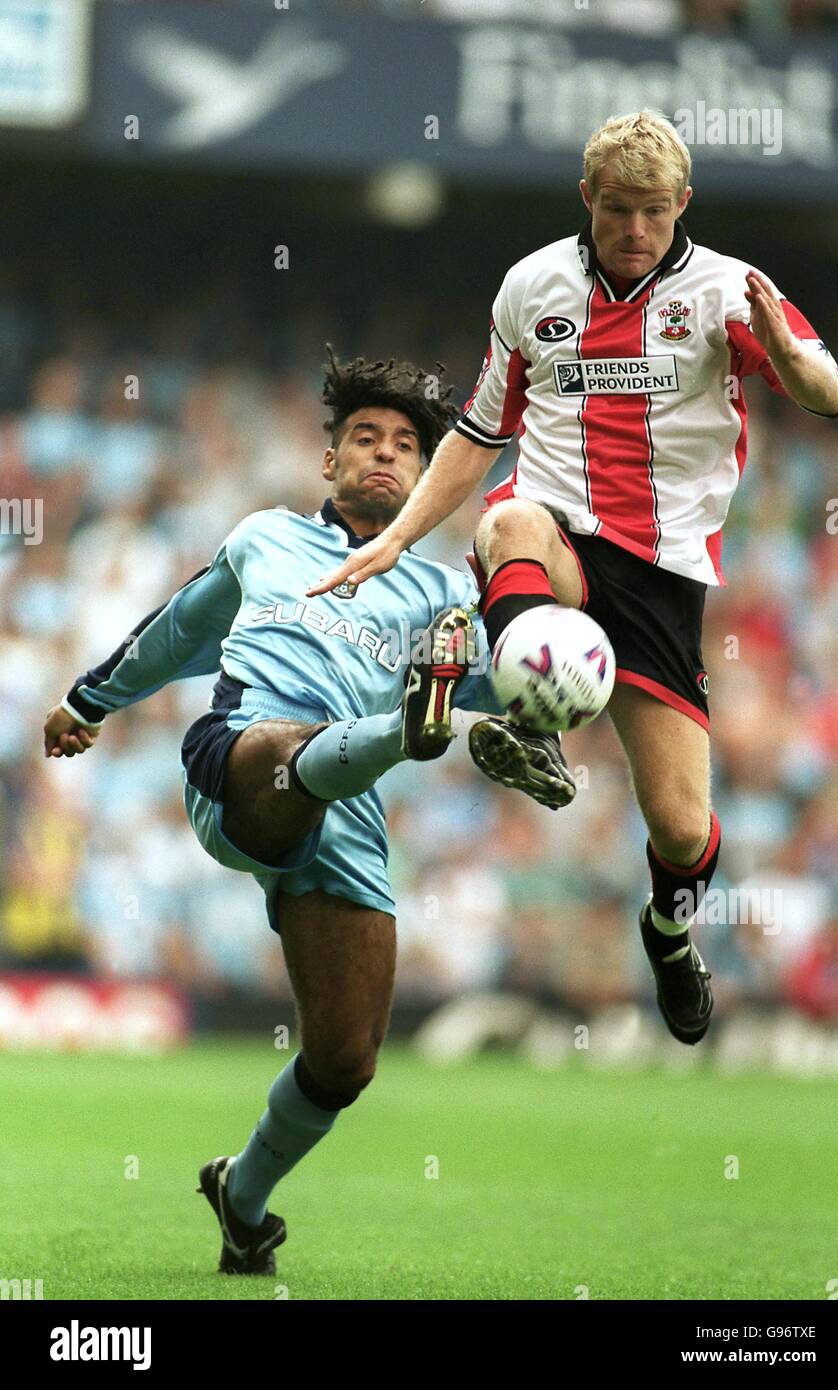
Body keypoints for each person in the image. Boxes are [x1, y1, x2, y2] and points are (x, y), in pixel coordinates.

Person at [310, 111, 838, 1049]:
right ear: (586, 202)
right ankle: (528, 720)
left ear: (681, 205)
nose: (633, 231)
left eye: (651, 212)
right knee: (507, 521)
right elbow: (480, 434)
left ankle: (671, 934)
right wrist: (396, 537)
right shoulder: (534, 286)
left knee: (682, 830)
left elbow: (826, 393)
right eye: (615, 211)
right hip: (555, 526)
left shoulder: (726, 292)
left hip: (664, 574)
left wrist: (793, 355)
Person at [42, 347, 575, 1275]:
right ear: (329, 460)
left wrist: (553, 703)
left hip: (346, 823)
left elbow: (535, 679)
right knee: (291, 745)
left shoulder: (448, 597)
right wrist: (89, 702)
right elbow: (178, 630)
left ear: (425, 473)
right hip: (239, 763)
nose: (383, 454)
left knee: (345, 1059)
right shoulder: (267, 540)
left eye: (406, 446)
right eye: (363, 437)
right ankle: (411, 730)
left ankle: (241, 1196)